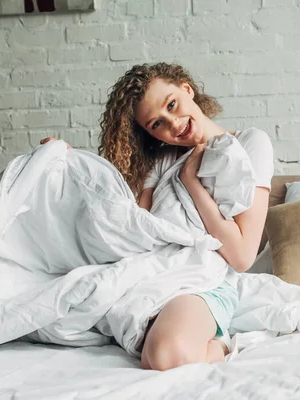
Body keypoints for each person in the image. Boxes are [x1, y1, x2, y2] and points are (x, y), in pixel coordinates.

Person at [40, 62, 274, 371]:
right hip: (153, 276)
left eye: (172, 105)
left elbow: (242, 256)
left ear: (186, 89)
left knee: (165, 357)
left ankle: (219, 347)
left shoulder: (249, 143)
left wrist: (192, 183)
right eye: (157, 124)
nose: (173, 124)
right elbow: (134, 226)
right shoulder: (162, 161)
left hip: (205, 281)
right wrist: (71, 166)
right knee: (46, 311)